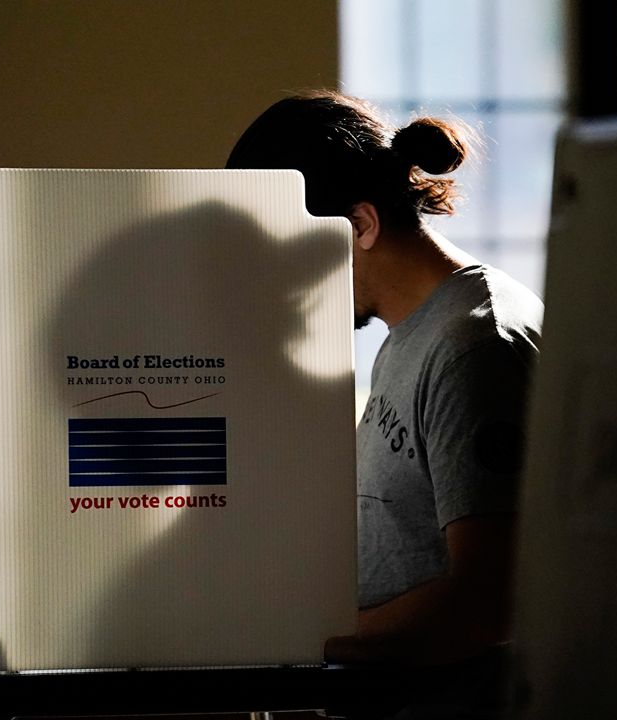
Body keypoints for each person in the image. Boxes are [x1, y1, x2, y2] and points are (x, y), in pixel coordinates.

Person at [227, 92, 543, 716]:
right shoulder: (412, 333)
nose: (283, 284)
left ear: (362, 225)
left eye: (288, 253)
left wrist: (301, 642)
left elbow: (490, 595)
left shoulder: (475, 343)